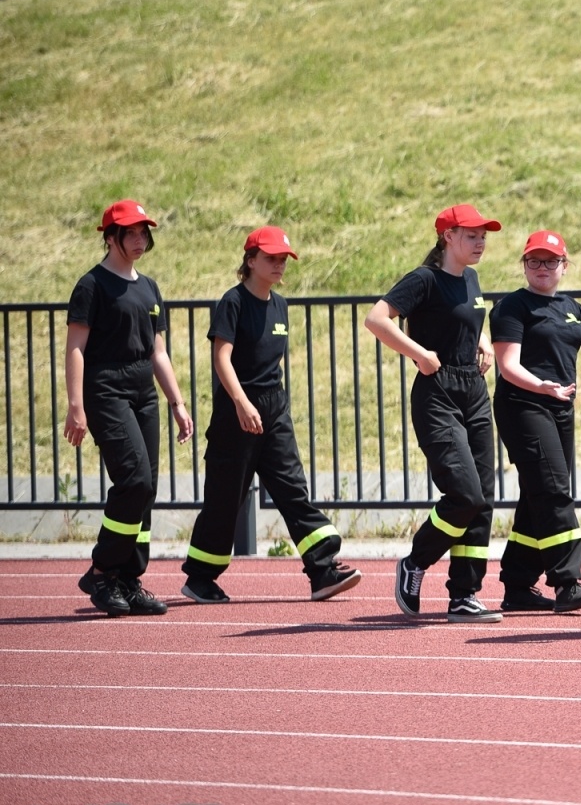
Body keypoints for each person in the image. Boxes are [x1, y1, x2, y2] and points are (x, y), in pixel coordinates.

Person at [181, 227, 361, 604]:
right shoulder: (232, 303)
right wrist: (242, 403)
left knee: (293, 488)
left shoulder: (280, 305)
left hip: (274, 408)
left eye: (283, 259)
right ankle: (200, 578)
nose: (279, 264)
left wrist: (266, 406)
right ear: (250, 261)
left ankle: (322, 570)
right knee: (226, 498)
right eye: (270, 258)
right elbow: (221, 358)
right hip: (237, 412)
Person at [368, 204, 503, 624]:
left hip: (474, 391)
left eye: (484, 235)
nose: (480, 241)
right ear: (447, 236)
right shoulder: (424, 279)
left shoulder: (471, 278)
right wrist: (420, 353)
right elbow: (376, 319)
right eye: (471, 235)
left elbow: (462, 316)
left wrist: (480, 341)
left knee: (483, 500)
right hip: (438, 392)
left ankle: (464, 595)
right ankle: (416, 562)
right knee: (465, 494)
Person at [64, 200, 194, 617]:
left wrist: (177, 401)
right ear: (110, 237)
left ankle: (128, 578)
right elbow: (76, 348)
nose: (140, 239)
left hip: (143, 392)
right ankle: (102, 570)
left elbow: (158, 351)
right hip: (106, 390)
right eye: (130, 232)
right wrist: (75, 406)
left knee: (147, 487)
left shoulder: (150, 287)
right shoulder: (92, 285)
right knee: (133, 479)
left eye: (143, 232)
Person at [490, 229, 581, 614]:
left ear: (565, 265)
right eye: (534, 261)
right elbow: (508, 366)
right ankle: (567, 582)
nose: (542, 268)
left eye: (550, 261)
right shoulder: (512, 307)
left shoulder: (574, 309)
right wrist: (541, 386)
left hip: (559, 407)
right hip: (524, 406)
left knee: (536, 494)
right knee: (555, 490)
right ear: (524, 265)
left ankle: (517, 585)